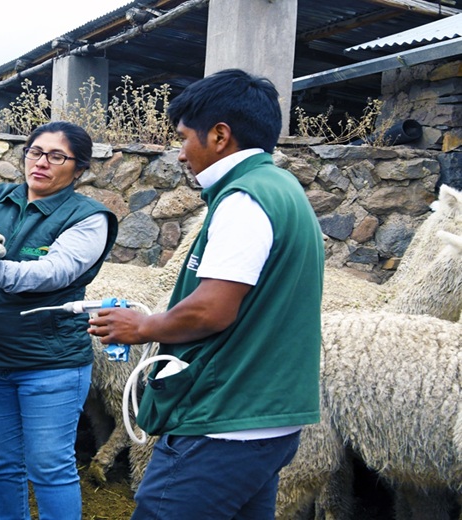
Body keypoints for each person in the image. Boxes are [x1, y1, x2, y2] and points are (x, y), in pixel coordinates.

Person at [88, 69, 325, 519]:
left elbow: (212, 310)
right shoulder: (282, 189)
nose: (180, 155)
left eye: (183, 138)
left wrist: (142, 326)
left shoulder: (244, 200)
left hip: (225, 418)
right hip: (264, 417)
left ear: (219, 135)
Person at [0, 121, 118, 520]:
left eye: (57, 156)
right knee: (0, 465)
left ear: (79, 169)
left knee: (49, 467)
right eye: (35, 152)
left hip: (48, 366)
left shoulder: (89, 217)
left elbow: (54, 272)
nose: (42, 162)